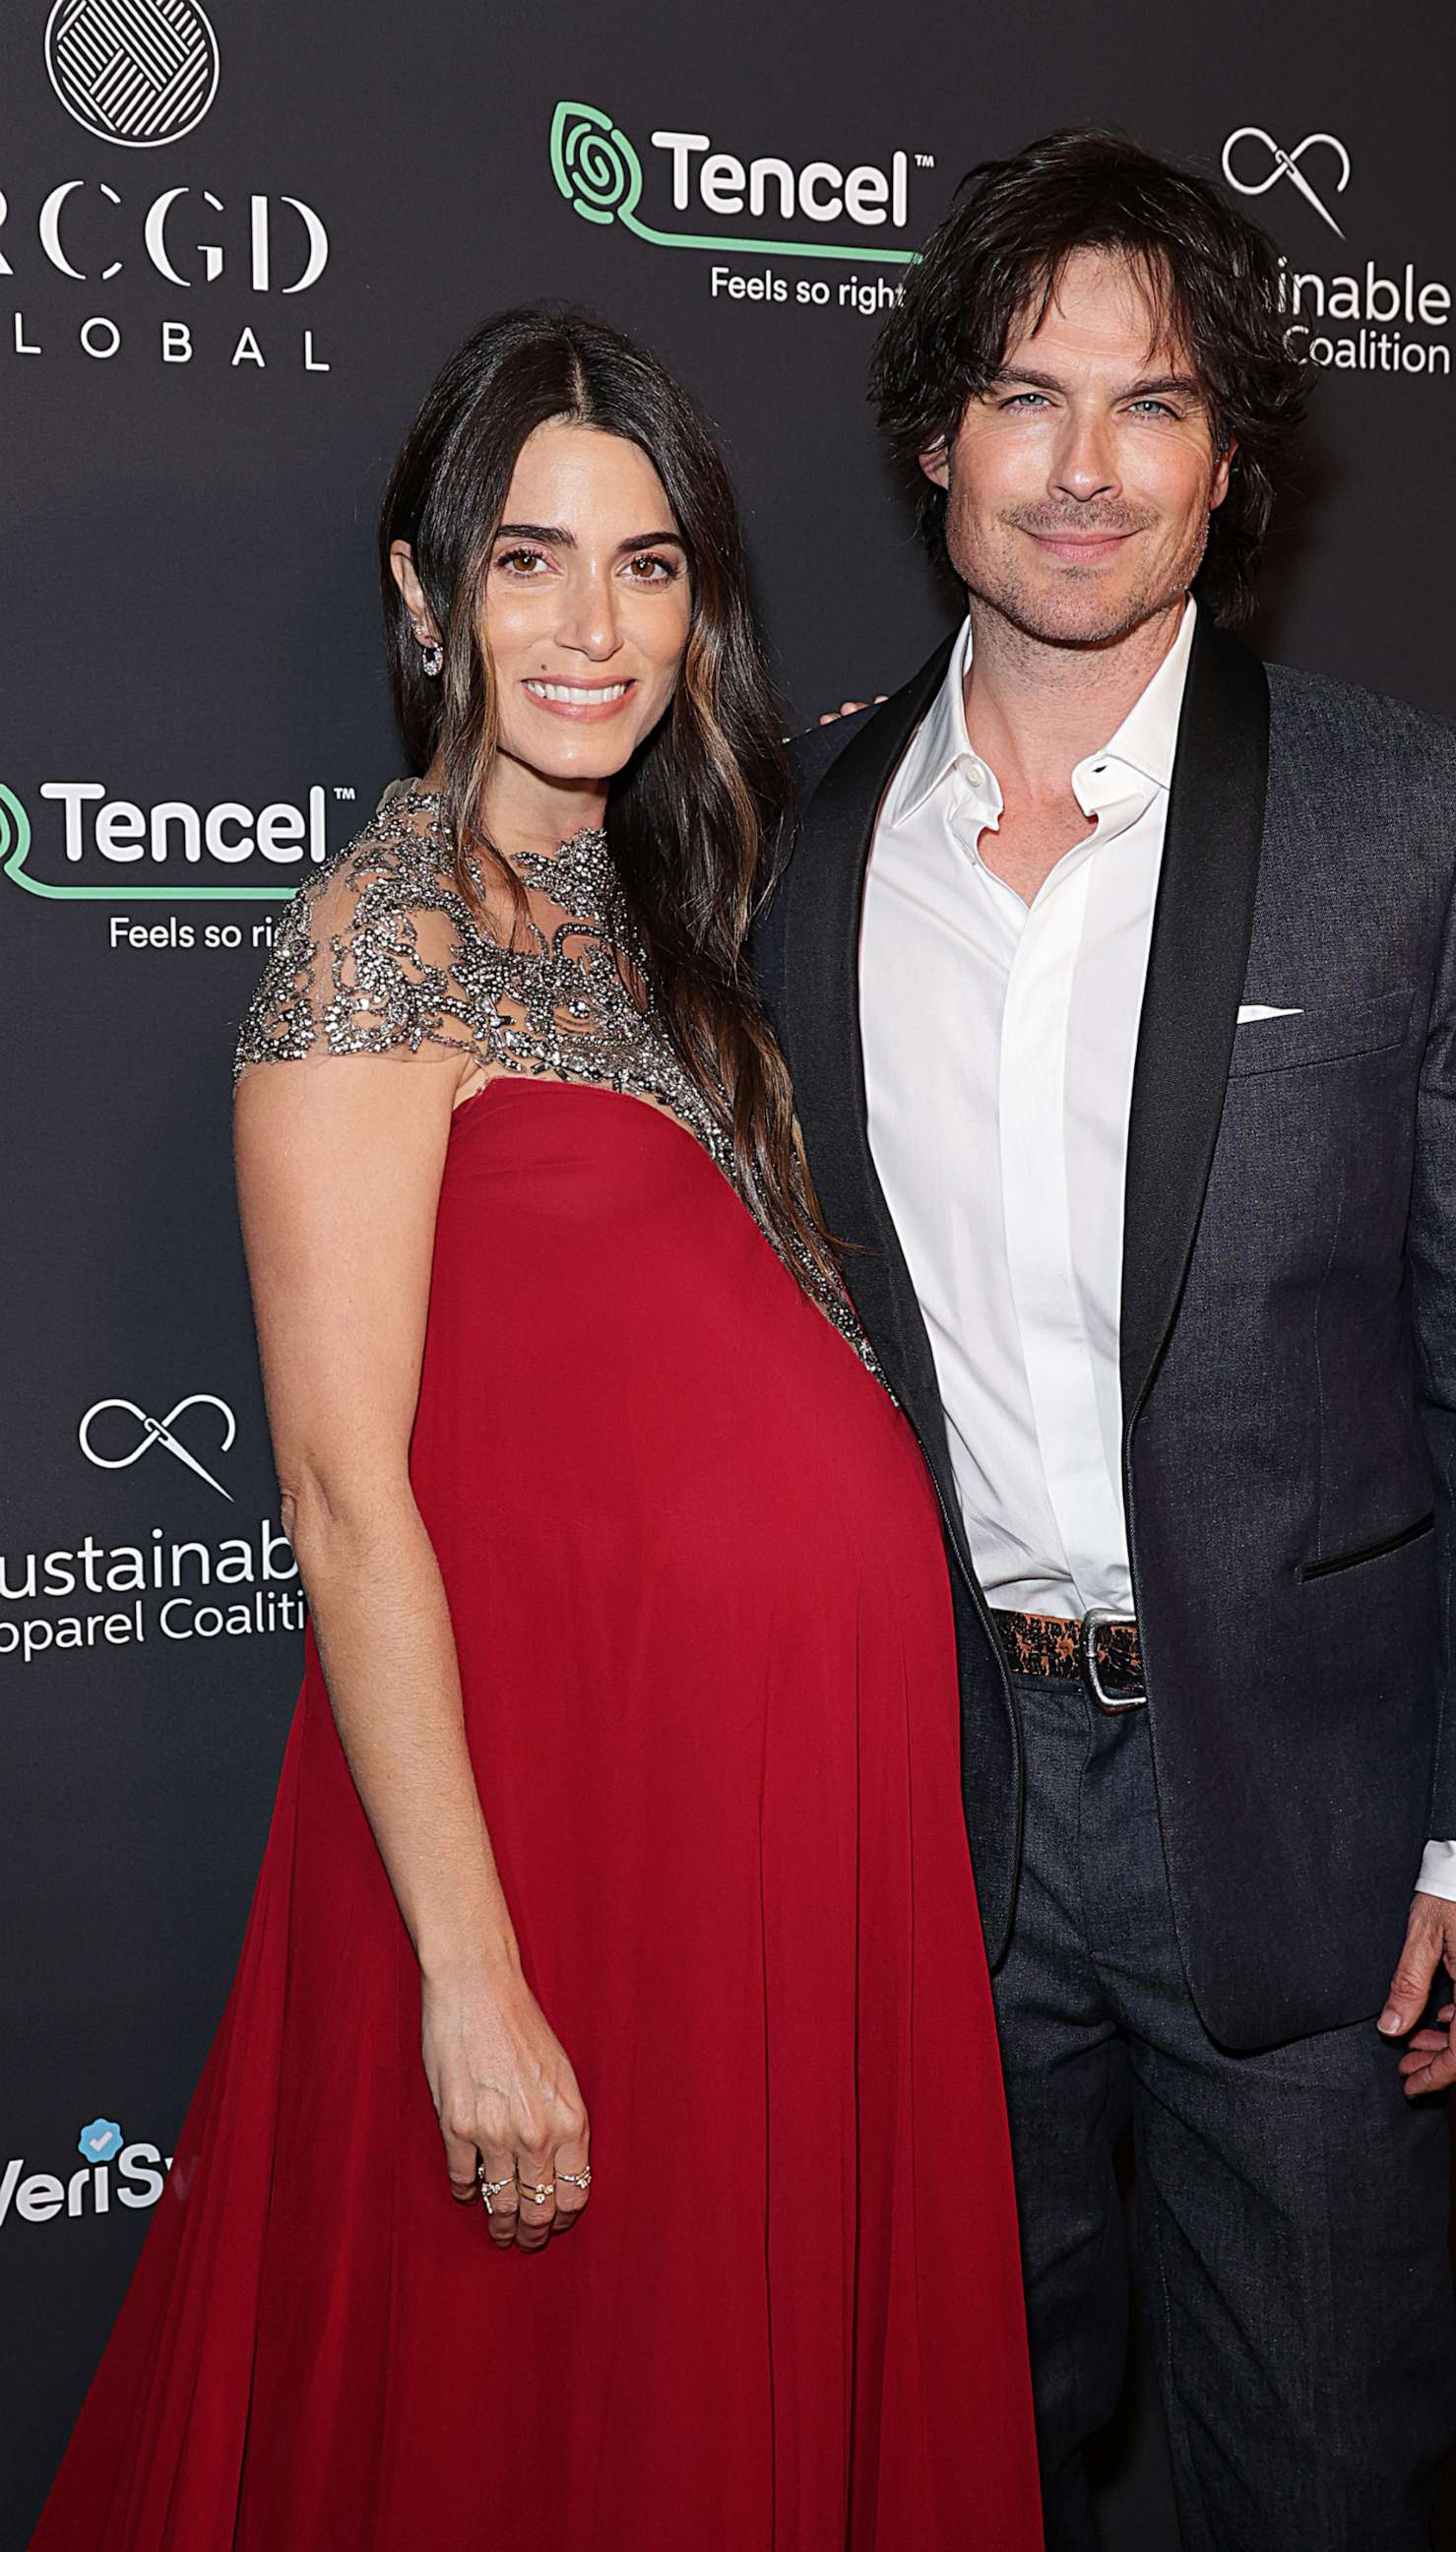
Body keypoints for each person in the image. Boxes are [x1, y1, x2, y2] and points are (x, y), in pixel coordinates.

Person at [29, 306, 1044, 2552]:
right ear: (423, 595)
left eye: (651, 564)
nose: (595, 626)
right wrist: (473, 1986)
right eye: (527, 559)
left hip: (784, 1832)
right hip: (570, 1847)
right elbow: (340, 1495)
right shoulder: (372, 943)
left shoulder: (673, 920)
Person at [754, 129, 1456, 2551]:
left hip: (1310, 1831)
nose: (1082, 468)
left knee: (1320, 2478)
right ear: (940, 439)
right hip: (928, 1816)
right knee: (940, 2468)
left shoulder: (1405, 816)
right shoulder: (796, 841)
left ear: (1229, 459)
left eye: (1150, 406)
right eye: (1026, 396)